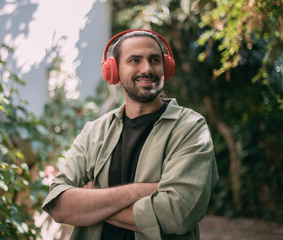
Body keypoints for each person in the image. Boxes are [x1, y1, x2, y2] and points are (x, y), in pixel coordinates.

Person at [42, 29, 219, 240]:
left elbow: (177, 214)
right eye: (135, 60)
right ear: (114, 70)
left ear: (166, 68)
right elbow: (60, 206)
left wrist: (92, 199)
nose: (147, 68)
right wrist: (142, 191)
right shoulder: (93, 132)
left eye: (154, 60)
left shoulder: (190, 128)